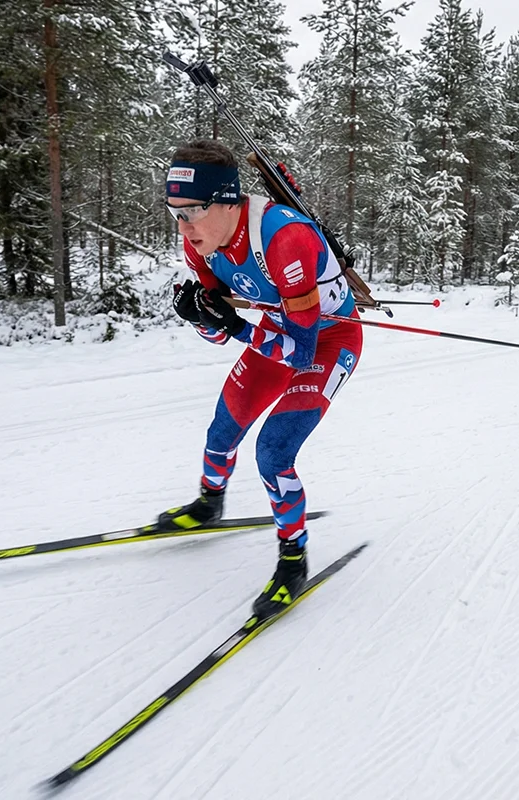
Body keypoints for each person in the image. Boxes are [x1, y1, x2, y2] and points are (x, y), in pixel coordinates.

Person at [158, 139, 363, 619]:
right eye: (174, 213)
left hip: (328, 341)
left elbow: (301, 354)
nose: (183, 227)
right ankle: (210, 503)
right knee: (222, 428)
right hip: (273, 330)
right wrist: (203, 318)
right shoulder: (199, 244)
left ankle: (293, 559)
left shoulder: (285, 238)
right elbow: (218, 334)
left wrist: (234, 327)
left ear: (227, 201)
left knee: (272, 453)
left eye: (191, 212)